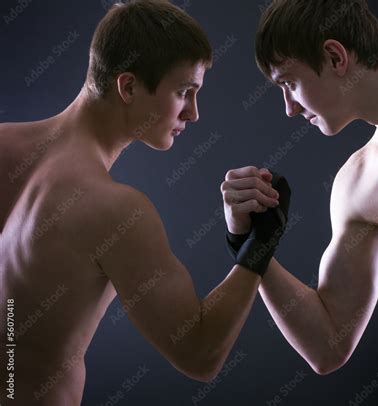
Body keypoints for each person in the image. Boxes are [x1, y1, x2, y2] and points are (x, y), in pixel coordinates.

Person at [0, 1, 287, 405]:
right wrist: (256, 246)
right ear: (129, 86)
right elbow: (199, 353)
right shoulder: (115, 211)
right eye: (184, 92)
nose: (194, 113)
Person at [221, 1, 378, 405]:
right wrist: (253, 248)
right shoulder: (359, 183)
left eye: (288, 83)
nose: (288, 108)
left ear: (335, 56)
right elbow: (328, 346)